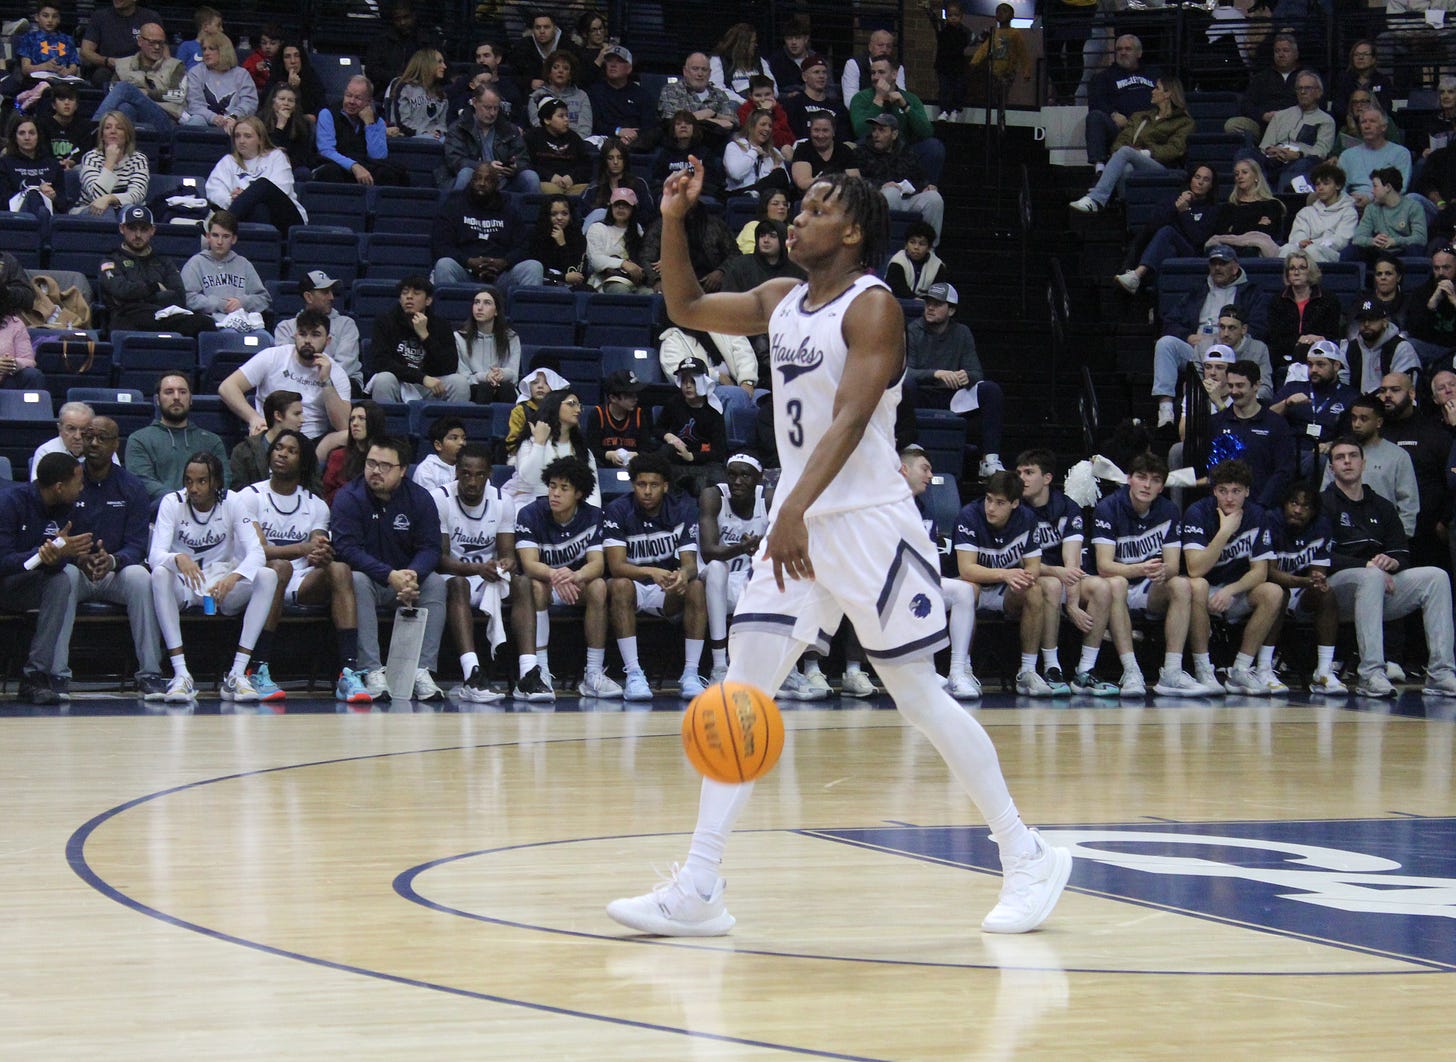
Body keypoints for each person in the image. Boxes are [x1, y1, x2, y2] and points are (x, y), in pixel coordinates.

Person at [606, 164, 1072, 939]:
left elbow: (852, 418)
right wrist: (672, 219)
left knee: (919, 698)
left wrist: (791, 506)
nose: (797, 217)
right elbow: (684, 304)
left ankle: (1025, 854)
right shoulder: (781, 299)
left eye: (818, 208)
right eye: (800, 206)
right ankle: (699, 884)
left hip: (865, 525)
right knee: (740, 694)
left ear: (852, 231)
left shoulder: (875, 306)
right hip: (802, 524)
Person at [235, 429, 369, 703]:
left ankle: (348, 671)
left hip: (301, 582)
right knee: (278, 568)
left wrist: (321, 554)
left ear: (304, 460)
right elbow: (257, 552)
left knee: (341, 570)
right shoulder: (249, 497)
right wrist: (301, 549)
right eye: (278, 448)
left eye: (291, 450)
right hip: (257, 581)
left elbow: (316, 545)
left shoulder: (316, 505)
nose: (282, 454)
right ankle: (257, 669)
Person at [1323, 436, 1456, 698]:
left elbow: (1401, 552)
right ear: (1331, 467)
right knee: (1372, 576)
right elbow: (1321, 557)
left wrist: (1392, 561)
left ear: (1364, 463)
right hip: (1335, 592)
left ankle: (1440, 672)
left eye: (1353, 456)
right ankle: (1371, 673)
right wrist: (1368, 564)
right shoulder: (1324, 504)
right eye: (1340, 457)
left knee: (1436, 576)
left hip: (1380, 588)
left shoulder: (1381, 505)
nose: (1347, 461)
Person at [148, 450, 278, 703]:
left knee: (267, 576)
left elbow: (257, 552)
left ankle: (237, 673)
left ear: (216, 482)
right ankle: (181, 674)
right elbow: (155, 556)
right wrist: (177, 558)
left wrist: (234, 577)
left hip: (222, 585)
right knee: (160, 574)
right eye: (188, 480)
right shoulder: (172, 503)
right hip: (185, 586)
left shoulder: (232, 502)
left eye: (201, 481)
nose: (193, 488)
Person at [330, 434, 448, 701]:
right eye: (371, 463)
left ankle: (422, 670)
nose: (375, 471)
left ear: (403, 470)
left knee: (437, 584)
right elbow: (346, 549)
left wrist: (413, 574)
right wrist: (389, 575)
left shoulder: (419, 498)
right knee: (355, 580)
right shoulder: (349, 497)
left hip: (408, 581)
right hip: (373, 580)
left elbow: (431, 547)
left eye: (385, 466)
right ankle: (370, 670)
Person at [1089, 451, 1202, 696]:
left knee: (1182, 585)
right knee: (1117, 583)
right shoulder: (1108, 508)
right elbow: (1104, 566)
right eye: (1141, 477)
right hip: (1113, 587)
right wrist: (1139, 569)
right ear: (1129, 479)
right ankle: (1131, 671)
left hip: (1148, 586)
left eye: (1155, 480)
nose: (1147, 485)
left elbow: (1172, 565)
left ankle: (1171, 672)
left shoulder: (1169, 510)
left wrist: (1163, 572)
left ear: (1162, 486)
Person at [68, 416, 165, 697]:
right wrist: (77, 558)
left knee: (140, 577)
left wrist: (113, 560)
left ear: (116, 444)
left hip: (115, 571)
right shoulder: (70, 479)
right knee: (63, 578)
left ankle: (149, 672)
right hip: (78, 570)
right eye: (89, 436)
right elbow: (56, 534)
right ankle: (55, 673)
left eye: (102, 437)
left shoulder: (132, 486)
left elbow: (137, 544)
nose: (94, 443)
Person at [602, 451, 707, 700]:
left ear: (666, 486)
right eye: (641, 484)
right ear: (633, 485)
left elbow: (690, 564)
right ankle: (634, 674)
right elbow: (616, 566)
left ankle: (690, 674)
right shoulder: (617, 510)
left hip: (666, 590)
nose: (647, 491)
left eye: (654, 485)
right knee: (619, 585)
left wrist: (682, 574)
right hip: (635, 587)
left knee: (696, 587)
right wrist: (651, 571)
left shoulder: (682, 510)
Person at [509, 455, 613, 700]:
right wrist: (556, 575)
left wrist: (576, 576)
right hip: (545, 586)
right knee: (535, 586)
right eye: (552, 486)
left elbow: (597, 565)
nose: (555, 493)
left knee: (598, 586)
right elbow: (529, 563)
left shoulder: (593, 516)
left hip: (574, 587)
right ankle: (540, 671)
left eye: (564, 488)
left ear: (578, 493)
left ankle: (594, 673)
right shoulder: (530, 513)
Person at [954, 468, 1065, 696]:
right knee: (969, 589)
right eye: (989, 500)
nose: (991, 508)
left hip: (1005, 591)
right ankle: (962, 669)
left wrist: (1023, 579)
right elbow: (966, 569)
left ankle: (1027, 672)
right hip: (973, 586)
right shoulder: (969, 516)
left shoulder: (1027, 518)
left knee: (1034, 589)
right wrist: (1005, 574)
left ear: (1015, 504)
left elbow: (1033, 567)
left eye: (1000, 503)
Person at [1016, 449, 1119, 695]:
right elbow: (1019, 562)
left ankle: (1085, 671)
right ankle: (1053, 667)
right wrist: (1056, 573)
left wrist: (1072, 603)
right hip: (1030, 576)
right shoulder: (1015, 507)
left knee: (1102, 587)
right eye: (1019, 473)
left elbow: (1072, 560)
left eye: (1029, 473)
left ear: (1048, 478)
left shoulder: (1067, 507)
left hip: (1062, 576)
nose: (1022, 479)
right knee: (1051, 583)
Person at [1179, 459, 1283, 695]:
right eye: (1223, 490)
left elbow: (1260, 571)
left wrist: (1231, 590)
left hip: (1234, 591)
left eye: (1236, 491)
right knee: (1197, 584)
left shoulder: (1257, 515)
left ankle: (1241, 670)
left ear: (1247, 491)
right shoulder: (1197, 513)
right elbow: (1195, 568)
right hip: (1203, 593)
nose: (1229, 498)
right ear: (1214, 490)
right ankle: (1203, 668)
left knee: (1273, 591)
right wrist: (1225, 531)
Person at [0, 453, 89, 703]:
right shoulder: (10, 503)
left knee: (61, 580)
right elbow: (3, 560)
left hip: (22, 585)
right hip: (5, 580)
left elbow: (59, 561)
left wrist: (66, 556)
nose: (82, 488)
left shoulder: (68, 509)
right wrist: (41, 555)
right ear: (59, 487)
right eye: (78, 483)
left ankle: (35, 677)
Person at [1151, 250, 1272, 428]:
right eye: (1213, 264)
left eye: (1222, 264)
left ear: (1235, 267)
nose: (1217, 268)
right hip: (1201, 348)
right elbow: (1171, 320)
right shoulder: (1198, 289)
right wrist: (1188, 336)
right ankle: (1166, 409)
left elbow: (1260, 326)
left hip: (1239, 353)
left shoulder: (1250, 292)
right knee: (1165, 343)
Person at [434, 442, 516, 703]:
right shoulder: (440, 498)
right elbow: (441, 560)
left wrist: (504, 564)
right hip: (454, 577)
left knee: (524, 585)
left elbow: (508, 553)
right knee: (459, 584)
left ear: (489, 474)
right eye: (466, 473)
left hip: (486, 577)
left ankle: (529, 672)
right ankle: (473, 674)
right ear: (456, 472)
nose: (472, 480)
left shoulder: (503, 501)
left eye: (479, 474)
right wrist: (478, 569)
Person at [899, 445, 979, 698]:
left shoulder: (924, 509)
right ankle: (919, 670)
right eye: (925, 468)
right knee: (919, 587)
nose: (930, 475)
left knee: (963, 590)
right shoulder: (881, 505)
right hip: (881, 586)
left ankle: (957, 673)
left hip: (914, 582)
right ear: (903, 469)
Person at [218, 308, 350, 459]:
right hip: (271, 435)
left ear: (328, 341)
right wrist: (253, 417)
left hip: (313, 442)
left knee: (347, 437)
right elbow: (227, 387)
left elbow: (344, 426)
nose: (307, 340)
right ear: (295, 336)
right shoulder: (273, 356)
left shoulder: (336, 372)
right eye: (302, 333)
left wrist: (326, 382)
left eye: (315, 335)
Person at [906, 281, 1005, 477]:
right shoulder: (913, 330)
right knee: (906, 384)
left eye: (937, 304)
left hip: (951, 397)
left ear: (951, 310)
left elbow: (976, 372)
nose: (930, 308)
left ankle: (989, 460)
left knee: (990, 390)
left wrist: (965, 375)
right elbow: (905, 372)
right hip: (921, 394)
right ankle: (909, 450)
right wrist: (936, 373)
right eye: (928, 303)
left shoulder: (962, 332)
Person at [1263, 482, 1344, 693]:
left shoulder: (1322, 526)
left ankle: (1324, 671)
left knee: (1326, 593)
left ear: (1313, 511)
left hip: (1299, 591)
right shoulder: (1270, 521)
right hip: (1267, 589)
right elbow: (1269, 573)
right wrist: (1302, 582)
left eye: (1305, 506)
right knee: (1277, 592)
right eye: (1293, 503)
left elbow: (1318, 574)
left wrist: (1315, 581)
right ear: (1284, 505)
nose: (1298, 510)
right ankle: (1263, 668)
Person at [1069, 77, 1193, 213]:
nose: (1152, 91)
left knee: (1126, 152)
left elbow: (1175, 148)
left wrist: (1144, 153)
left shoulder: (1184, 122)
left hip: (1161, 166)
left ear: (1168, 94)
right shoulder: (1140, 116)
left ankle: (1096, 199)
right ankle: (1125, 208)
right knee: (1126, 165)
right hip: (1131, 160)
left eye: (1157, 88)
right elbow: (1119, 142)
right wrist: (1130, 153)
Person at [697, 453, 770, 682]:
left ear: (759, 479)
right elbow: (709, 552)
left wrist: (761, 548)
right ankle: (719, 666)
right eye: (732, 475)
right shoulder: (713, 496)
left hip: (751, 583)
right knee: (718, 567)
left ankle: (784, 670)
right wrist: (742, 547)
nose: (737, 481)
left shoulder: (767, 498)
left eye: (745, 475)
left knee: (782, 573)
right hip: (716, 584)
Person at [99, 205, 215, 337]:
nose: (137, 235)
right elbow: (120, 290)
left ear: (152, 230)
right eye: (132, 228)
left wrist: (140, 296)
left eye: (143, 229)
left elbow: (178, 295)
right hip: (129, 318)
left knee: (205, 323)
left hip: (164, 317)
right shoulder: (111, 261)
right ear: (122, 228)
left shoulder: (164, 262)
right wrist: (155, 287)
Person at [431, 163, 544, 295]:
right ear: (471, 180)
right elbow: (441, 245)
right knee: (444, 265)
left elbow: (524, 246)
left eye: (488, 180)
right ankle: (449, 314)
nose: (482, 183)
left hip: (500, 277)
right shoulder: (453, 206)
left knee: (533, 267)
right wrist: (468, 262)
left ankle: (525, 315)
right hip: (465, 273)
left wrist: (505, 262)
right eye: (478, 178)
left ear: (497, 185)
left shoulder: (509, 211)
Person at [1377, 371, 1452, 565]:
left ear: (1412, 394)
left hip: (1428, 532)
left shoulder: (1434, 433)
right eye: (1383, 390)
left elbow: (1450, 482)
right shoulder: (1374, 432)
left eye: (1395, 390)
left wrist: (1444, 521)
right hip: (1381, 531)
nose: (1387, 395)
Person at [1319, 394, 1419, 537]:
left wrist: (1400, 537)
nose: (1357, 424)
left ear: (1378, 422)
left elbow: (1408, 502)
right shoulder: (1339, 453)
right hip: (1342, 537)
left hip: (1384, 537)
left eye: (1364, 419)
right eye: (1354, 418)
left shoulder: (1398, 456)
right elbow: (1325, 493)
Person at [125, 371, 230, 503]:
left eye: (182, 392)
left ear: (190, 399)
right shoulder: (139, 439)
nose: (176, 397)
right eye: (169, 392)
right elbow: (143, 482)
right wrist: (183, 500)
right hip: (159, 514)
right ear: (157, 400)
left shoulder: (212, 440)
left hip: (207, 513)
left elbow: (223, 478)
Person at [1115, 165, 1220, 294]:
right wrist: (1176, 207)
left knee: (1168, 231)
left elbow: (1198, 239)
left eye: (1206, 179)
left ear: (1211, 186)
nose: (1200, 182)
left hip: (1192, 254)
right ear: (1191, 179)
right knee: (1163, 241)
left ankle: (1137, 274)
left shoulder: (1213, 210)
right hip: (1169, 252)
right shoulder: (1174, 200)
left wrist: (1184, 212)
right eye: (1197, 177)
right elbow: (1153, 225)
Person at [364, 275, 467, 404]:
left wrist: (425, 336)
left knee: (459, 382)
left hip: (432, 385)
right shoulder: (385, 322)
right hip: (399, 382)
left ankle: (452, 424)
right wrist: (421, 378)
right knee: (383, 379)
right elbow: (381, 363)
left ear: (428, 300)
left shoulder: (441, 325)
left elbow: (449, 366)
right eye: (404, 293)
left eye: (416, 293)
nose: (409, 297)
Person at [204, 115, 307, 235]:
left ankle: (221, 228)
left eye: (247, 136)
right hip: (251, 215)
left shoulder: (276, 156)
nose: (241, 141)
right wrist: (231, 199)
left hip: (286, 219)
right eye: (237, 136)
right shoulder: (228, 161)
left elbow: (281, 189)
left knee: (263, 185)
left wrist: (245, 196)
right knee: (258, 209)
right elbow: (214, 191)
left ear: (260, 139)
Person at [848, 55, 943, 184]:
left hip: (904, 152)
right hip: (873, 152)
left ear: (894, 75)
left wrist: (905, 106)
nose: (875, 77)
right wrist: (878, 99)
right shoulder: (861, 98)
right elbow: (861, 132)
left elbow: (927, 132)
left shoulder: (911, 98)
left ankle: (927, 189)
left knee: (933, 146)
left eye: (881, 72)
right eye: (873, 73)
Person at [504, 387, 601, 509]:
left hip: (571, 510)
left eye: (579, 406)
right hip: (532, 505)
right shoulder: (530, 442)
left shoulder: (582, 450)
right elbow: (529, 478)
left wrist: (592, 513)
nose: (578, 410)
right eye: (571, 404)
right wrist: (539, 444)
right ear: (554, 406)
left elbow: (593, 489)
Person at [857, 113, 944, 243]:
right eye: (874, 129)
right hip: (878, 199)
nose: (875, 134)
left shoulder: (906, 151)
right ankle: (886, 248)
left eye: (881, 130)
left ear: (894, 134)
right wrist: (881, 185)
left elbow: (919, 177)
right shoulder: (862, 151)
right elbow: (857, 181)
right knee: (891, 193)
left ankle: (929, 250)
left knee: (934, 198)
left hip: (906, 198)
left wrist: (927, 186)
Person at [181, 209, 272, 332]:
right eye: (215, 235)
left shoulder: (243, 264)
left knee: (265, 339)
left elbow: (263, 299)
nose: (219, 242)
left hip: (245, 323)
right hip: (211, 325)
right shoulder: (196, 263)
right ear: (208, 237)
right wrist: (219, 304)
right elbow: (187, 298)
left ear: (233, 239)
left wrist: (242, 302)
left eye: (225, 236)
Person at [443, 84, 539, 195]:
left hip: (504, 180)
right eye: (487, 108)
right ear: (474, 102)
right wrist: (486, 167)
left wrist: (515, 167)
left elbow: (523, 159)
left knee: (531, 177)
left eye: (496, 108)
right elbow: (455, 160)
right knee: (466, 173)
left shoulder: (510, 129)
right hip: (475, 178)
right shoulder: (458, 128)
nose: (492, 113)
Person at [1269, 340, 1359, 459]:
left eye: (1320, 364)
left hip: (1327, 455)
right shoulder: (1293, 387)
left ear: (1336, 366)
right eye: (1310, 364)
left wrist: (1333, 445)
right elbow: (1267, 419)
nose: (1314, 370)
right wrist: (1286, 403)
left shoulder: (1350, 396)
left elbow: (1355, 434)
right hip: (1290, 450)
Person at [275, 271, 361, 393]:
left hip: (338, 383)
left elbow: (345, 366)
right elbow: (285, 365)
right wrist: (308, 381)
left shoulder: (346, 324)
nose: (331, 297)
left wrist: (319, 380)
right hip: (297, 383)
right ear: (308, 297)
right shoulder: (286, 328)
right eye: (325, 292)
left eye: (331, 292)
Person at [314, 76, 407, 187]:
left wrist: (369, 125)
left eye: (358, 98)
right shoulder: (327, 114)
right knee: (330, 172)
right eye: (348, 96)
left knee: (386, 174)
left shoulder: (378, 122)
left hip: (366, 167)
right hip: (338, 165)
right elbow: (326, 151)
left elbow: (378, 157)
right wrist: (354, 166)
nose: (351, 101)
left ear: (368, 102)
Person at [1252, 69, 1335, 192]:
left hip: (1301, 160)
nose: (1302, 92)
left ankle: (1283, 201)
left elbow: (1321, 151)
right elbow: (1265, 145)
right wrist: (1271, 150)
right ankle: (1260, 197)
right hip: (1273, 159)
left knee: (1303, 164)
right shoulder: (1280, 115)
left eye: (1307, 88)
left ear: (1318, 92)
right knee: (1246, 154)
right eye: (1299, 88)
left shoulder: (1326, 120)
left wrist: (1298, 154)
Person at [93, 21, 183, 133]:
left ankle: (95, 128)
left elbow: (179, 95)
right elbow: (113, 91)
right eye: (152, 42)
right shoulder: (123, 64)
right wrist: (136, 94)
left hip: (164, 119)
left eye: (161, 43)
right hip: (131, 114)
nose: (157, 47)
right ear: (140, 41)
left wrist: (146, 93)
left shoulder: (175, 65)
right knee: (125, 108)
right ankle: (124, 147)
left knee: (125, 88)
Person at [656, 358, 730, 494]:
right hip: (677, 460)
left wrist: (691, 456)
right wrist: (668, 436)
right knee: (664, 452)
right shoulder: (674, 403)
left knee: (716, 479)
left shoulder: (714, 411)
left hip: (703, 462)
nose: (687, 386)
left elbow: (719, 452)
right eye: (684, 381)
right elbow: (658, 429)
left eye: (693, 381)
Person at [1084, 34, 1156, 172]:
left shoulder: (1153, 74)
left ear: (1139, 53)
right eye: (1119, 49)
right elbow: (1096, 101)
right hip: (1120, 130)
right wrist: (1113, 114)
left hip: (1148, 127)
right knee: (1094, 117)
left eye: (1128, 49)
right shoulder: (1104, 77)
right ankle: (1099, 168)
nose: (1123, 53)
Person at [1266, 252, 1343, 371]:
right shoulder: (1278, 300)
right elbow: (1274, 336)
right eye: (1292, 268)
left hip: (1319, 353)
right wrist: (1299, 340)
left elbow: (1333, 334)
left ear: (1310, 271)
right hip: (1284, 354)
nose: (1296, 273)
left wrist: (1316, 338)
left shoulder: (1328, 299)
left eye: (1302, 268)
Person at [1224, 33, 1302, 144]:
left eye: (1285, 50)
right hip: (1264, 125)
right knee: (1232, 124)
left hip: (1296, 124)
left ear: (1296, 54)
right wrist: (1263, 115)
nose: (1281, 54)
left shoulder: (1306, 77)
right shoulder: (1262, 77)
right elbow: (1246, 104)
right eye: (1277, 51)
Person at [70, 111, 149, 220]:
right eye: (108, 127)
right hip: (90, 209)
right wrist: (109, 163)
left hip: (125, 209)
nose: (113, 131)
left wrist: (110, 198)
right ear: (102, 135)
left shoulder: (139, 159)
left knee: (132, 212)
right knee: (106, 211)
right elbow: (97, 196)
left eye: (119, 128)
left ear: (127, 135)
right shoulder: (91, 158)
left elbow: (137, 195)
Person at [1276, 162, 1357, 264]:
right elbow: (1297, 234)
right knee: (1287, 249)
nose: (1320, 188)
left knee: (1312, 250)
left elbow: (1341, 240)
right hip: (1304, 248)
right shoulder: (1306, 212)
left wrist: (1313, 243)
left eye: (1326, 183)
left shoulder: (1348, 212)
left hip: (1332, 253)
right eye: (1317, 184)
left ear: (1338, 185)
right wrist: (1302, 242)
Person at [1206, 157, 1284, 260]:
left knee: (1250, 251)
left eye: (1244, 172)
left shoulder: (1272, 205)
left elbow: (1266, 233)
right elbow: (1221, 232)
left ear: (1256, 176)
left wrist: (1235, 228)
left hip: (1256, 251)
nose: (1240, 177)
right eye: (1237, 174)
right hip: (1228, 249)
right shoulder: (1229, 207)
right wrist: (1256, 224)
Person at [587, 43, 659, 154]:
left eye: (619, 61)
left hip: (635, 144)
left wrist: (632, 138)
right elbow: (594, 123)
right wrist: (618, 131)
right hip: (603, 142)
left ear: (629, 68)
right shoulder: (595, 92)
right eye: (609, 61)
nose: (613, 65)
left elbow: (649, 126)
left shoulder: (642, 95)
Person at [656, 52, 738, 147]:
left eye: (704, 70)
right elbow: (671, 121)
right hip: (680, 147)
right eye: (695, 69)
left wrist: (713, 114)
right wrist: (713, 121)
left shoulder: (718, 94)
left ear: (710, 73)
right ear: (685, 71)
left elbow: (733, 122)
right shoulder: (671, 90)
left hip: (712, 148)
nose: (700, 74)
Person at [229, 388, 304, 489]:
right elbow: (237, 493)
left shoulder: (306, 450)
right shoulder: (243, 451)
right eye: (296, 414)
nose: (302, 420)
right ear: (278, 415)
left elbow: (314, 490)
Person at [455, 286, 520, 403]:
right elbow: (461, 375)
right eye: (476, 302)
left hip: (503, 385)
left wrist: (501, 373)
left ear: (496, 311)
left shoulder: (511, 337)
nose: (479, 307)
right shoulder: (459, 337)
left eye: (487, 303)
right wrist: (485, 377)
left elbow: (514, 373)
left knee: (507, 388)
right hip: (473, 386)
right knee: (485, 388)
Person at [366, 1, 442, 100]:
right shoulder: (382, 41)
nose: (402, 22)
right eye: (398, 19)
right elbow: (371, 70)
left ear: (414, 16)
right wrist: (399, 79)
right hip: (386, 94)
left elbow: (439, 67)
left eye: (406, 17)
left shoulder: (426, 41)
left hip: (423, 94)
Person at [182, 32, 257, 131]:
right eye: (204, 49)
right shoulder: (196, 72)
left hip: (235, 121)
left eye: (211, 49)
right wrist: (213, 118)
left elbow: (249, 103)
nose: (206, 53)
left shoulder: (241, 74)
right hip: (205, 121)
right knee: (195, 121)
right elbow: (195, 104)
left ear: (224, 50)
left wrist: (233, 117)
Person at [80, 0, 163, 88]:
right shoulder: (99, 17)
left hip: (142, 69)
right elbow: (85, 51)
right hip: (109, 68)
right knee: (100, 76)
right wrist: (107, 61)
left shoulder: (151, 17)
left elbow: (163, 50)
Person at [1338, 108, 1411, 207]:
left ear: (1384, 127)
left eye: (1372, 121)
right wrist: (1349, 200)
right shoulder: (1347, 155)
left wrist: (1371, 198)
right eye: (1363, 122)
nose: (1367, 126)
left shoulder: (1400, 153)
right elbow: (1338, 187)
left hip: (1386, 204)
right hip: (1351, 204)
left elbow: (1401, 188)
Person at [1347, 298, 1421, 394]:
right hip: (1358, 406)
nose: (1366, 324)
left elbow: (1402, 391)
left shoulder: (1401, 348)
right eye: (1362, 320)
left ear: (1385, 321)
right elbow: (1344, 387)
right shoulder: (1352, 348)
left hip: (1390, 405)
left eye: (1372, 319)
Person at [584, 370, 653, 470]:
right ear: (613, 398)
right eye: (629, 395)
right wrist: (609, 455)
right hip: (604, 467)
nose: (635, 399)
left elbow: (647, 448)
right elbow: (591, 449)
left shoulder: (639, 414)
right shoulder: (597, 414)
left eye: (635, 394)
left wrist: (637, 454)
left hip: (633, 468)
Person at [523, 97, 592, 195]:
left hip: (572, 184)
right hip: (545, 183)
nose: (566, 120)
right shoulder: (532, 137)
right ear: (547, 119)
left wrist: (572, 177)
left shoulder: (574, 138)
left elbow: (586, 165)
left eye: (567, 116)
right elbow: (526, 164)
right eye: (561, 116)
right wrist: (550, 176)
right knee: (552, 191)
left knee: (590, 191)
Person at [585, 187, 650, 292]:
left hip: (635, 282)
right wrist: (624, 264)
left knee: (650, 294)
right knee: (621, 290)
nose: (620, 208)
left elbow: (645, 255)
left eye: (626, 205)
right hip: (604, 281)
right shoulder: (597, 228)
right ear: (610, 207)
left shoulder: (637, 229)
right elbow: (596, 260)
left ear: (633, 209)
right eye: (617, 204)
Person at [580, 138, 654, 229]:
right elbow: (583, 217)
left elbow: (648, 215)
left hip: (633, 234)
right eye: (610, 158)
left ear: (625, 160)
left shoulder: (639, 184)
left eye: (620, 158)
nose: (615, 162)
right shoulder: (593, 189)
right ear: (604, 161)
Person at [323, 400, 385, 505]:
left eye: (361, 418)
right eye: (352, 419)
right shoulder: (338, 456)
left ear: (374, 422)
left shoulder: (387, 456)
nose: (355, 423)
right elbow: (327, 493)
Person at [526, 50, 593, 139]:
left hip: (576, 144)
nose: (560, 71)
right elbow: (537, 124)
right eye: (556, 67)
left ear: (570, 75)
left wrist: (573, 144)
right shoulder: (537, 96)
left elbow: (585, 127)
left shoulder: (581, 96)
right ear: (549, 72)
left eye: (565, 68)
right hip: (546, 143)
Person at [782, 53, 848, 142]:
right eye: (816, 72)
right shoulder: (793, 104)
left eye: (824, 72)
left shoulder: (838, 107)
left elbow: (844, 136)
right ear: (804, 77)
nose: (821, 76)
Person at [925, 0, 971, 122]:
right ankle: (944, 110)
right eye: (950, 16)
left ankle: (955, 110)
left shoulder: (965, 31)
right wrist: (927, 9)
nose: (953, 18)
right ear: (946, 16)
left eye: (956, 16)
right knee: (944, 89)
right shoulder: (942, 27)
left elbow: (973, 40)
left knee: (958, 89)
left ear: (961, 17)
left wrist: (983, 36)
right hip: (943, 65)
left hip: (958, 65)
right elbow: (934, 19)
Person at [388, 48, 450, 140]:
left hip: (437, 140)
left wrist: (438, 132)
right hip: (410, 141)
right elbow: (402, 123)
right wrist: (424, 133)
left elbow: (442, 124)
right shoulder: (405, 88)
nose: (444, 66)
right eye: (439, 62)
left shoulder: (441, 93)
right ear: (427, 64)